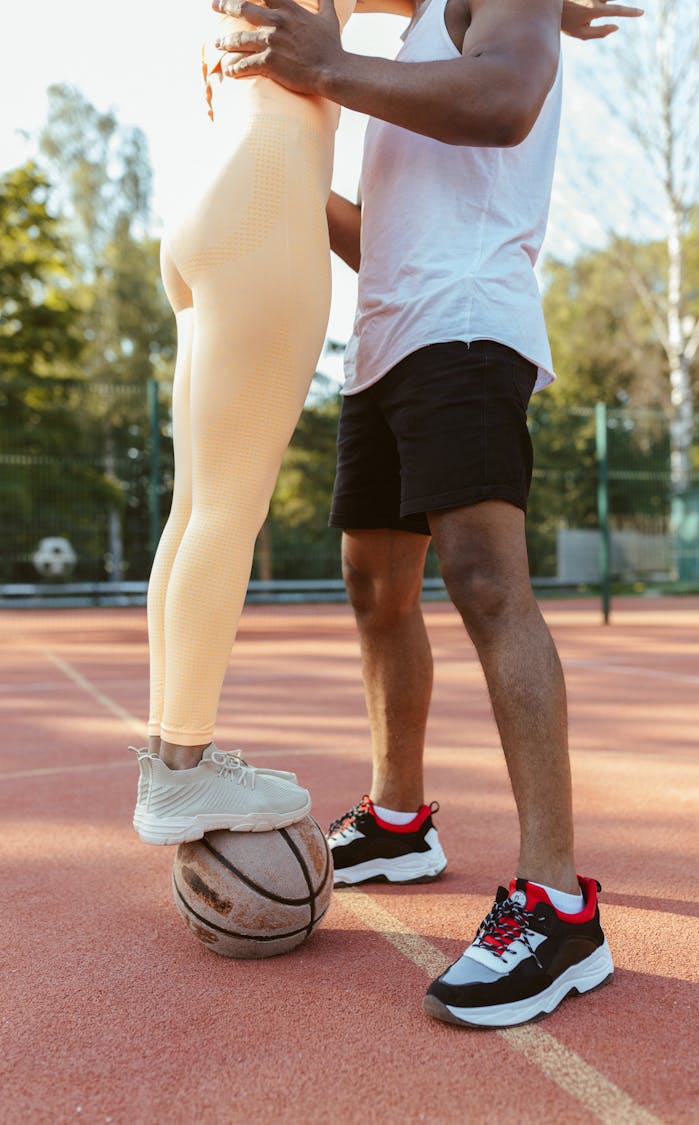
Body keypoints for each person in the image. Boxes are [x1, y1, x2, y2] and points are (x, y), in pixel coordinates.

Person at [212, 0, 643, 1026]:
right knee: (375, 589)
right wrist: (274, 155)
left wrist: (326, 65)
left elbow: (500, 103)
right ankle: (401, 822)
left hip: (464, 320)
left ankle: (557, 903)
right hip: (385, 340)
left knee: (487, 583)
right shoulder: (409, 40)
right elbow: (381, 235)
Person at [131, 0, 358, 846]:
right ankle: (182, 776)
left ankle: (170, 755)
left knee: (195, 509)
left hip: (208, 211)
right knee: (227, 510)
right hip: (267, 211)